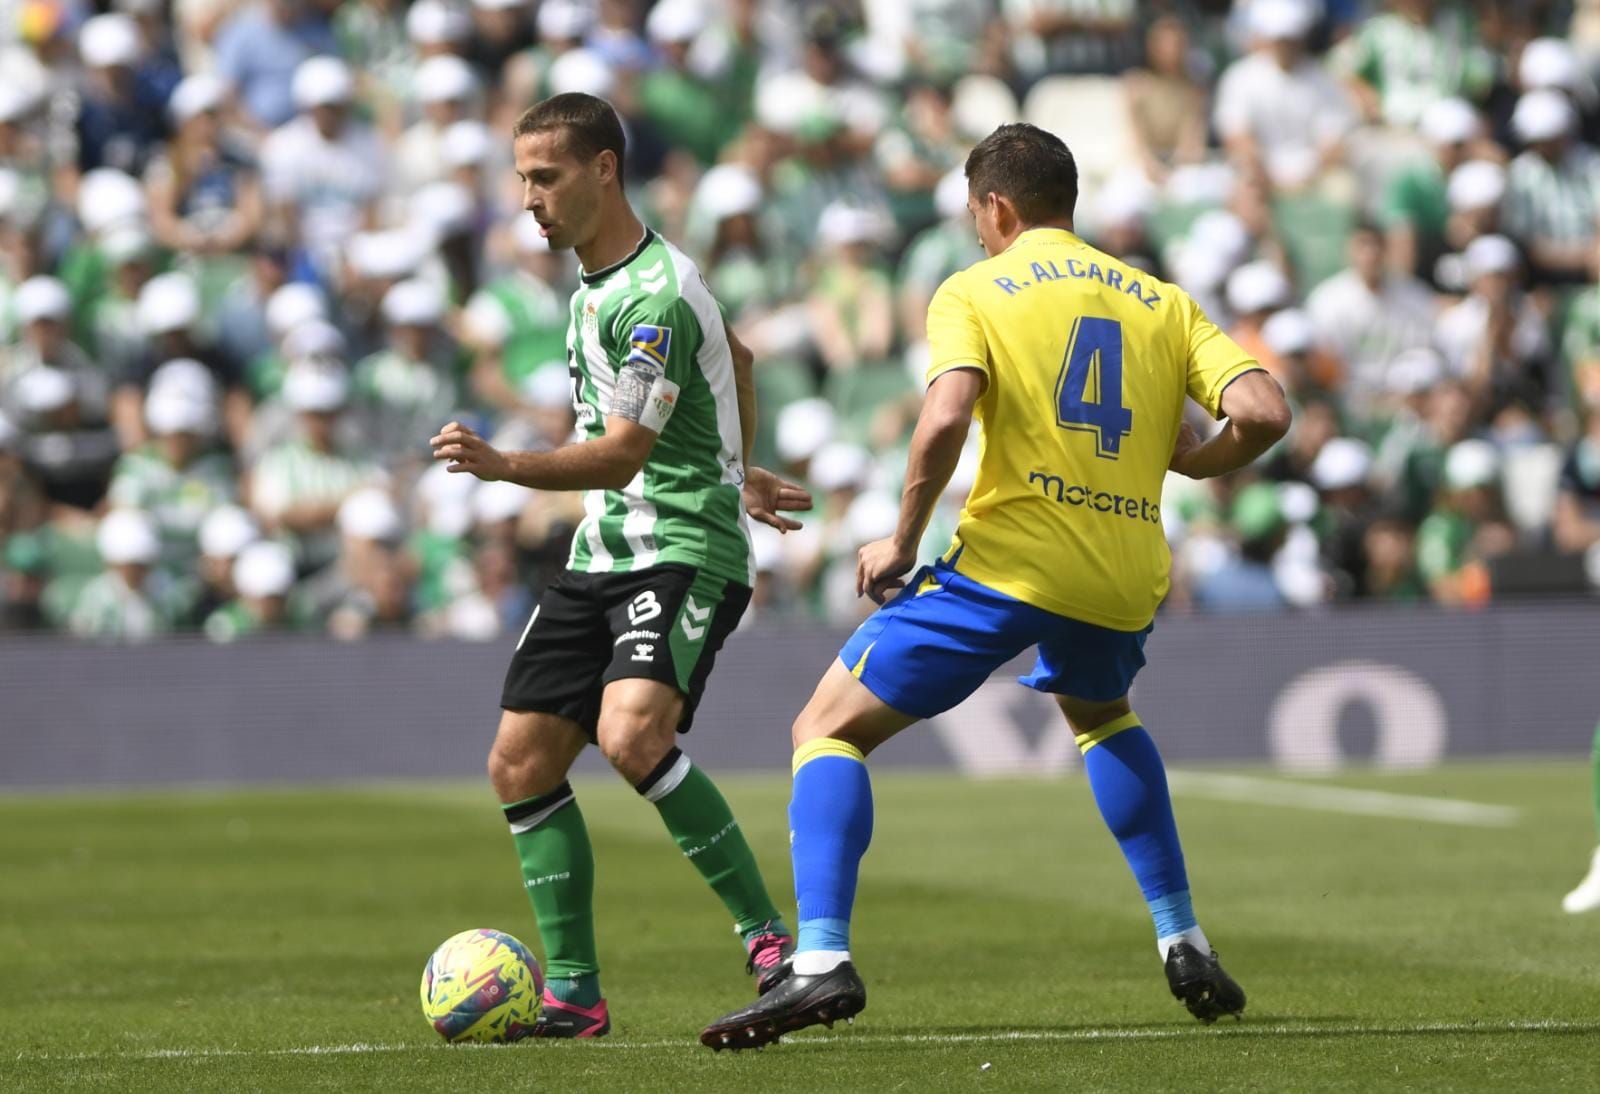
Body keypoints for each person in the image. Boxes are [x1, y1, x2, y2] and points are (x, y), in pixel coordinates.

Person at [700, 122, 1292, 1050]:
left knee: (824, 727)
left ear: (996, 207)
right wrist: (1196, 464)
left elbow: (943, 417)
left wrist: (900, 538)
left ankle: (817, 962)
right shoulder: (1160, 299)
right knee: (1101, 718)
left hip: (1014, 562)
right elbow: (1264, 410)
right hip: (1126, 568)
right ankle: (1183, 936)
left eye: (976, 214)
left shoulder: (975, 287)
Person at [426, 93, 813, 1038]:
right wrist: (739, 464)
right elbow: (744, 357)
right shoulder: (595, 289)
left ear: (605, 169)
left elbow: (622, 452)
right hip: (604, 552)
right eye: (522, 178)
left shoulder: (653, 296)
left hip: (683, 551)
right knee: (519, 762)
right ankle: (573, 995)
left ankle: (771, 942)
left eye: (546, 177)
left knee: (632, 734)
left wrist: (503, 464)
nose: (529, 198)